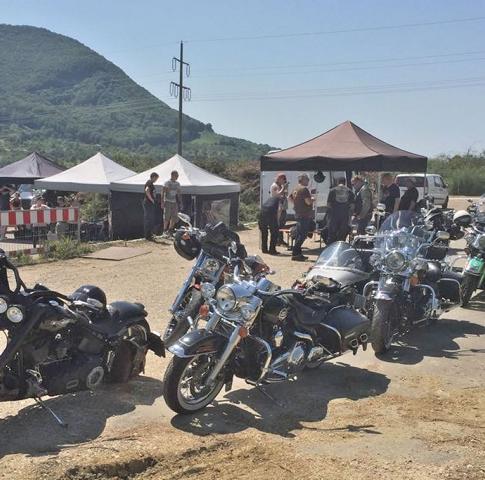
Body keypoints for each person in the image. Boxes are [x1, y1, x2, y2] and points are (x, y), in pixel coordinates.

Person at [289, 173, 314, 261]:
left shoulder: (295, 188)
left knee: (299, 234)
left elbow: (289, 198)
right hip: (304, 214)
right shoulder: (304, 189)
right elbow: (308, 202)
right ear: (303, 179)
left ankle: (298, 253)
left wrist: (297, 204)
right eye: (307, 179)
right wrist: (312, 199)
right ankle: (295, 252)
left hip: (298, 213)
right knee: (303, 234)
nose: (308, 180)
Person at [326, 177, 355, 243]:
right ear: (345, 182)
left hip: (334, 216)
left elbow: (328, 205)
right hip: (345, 216)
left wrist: (330, 214)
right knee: (342, 236)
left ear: (337, 182)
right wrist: (350, 216)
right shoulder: (350, 191)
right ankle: (340, 247)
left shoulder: (332, 191)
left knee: (332, 235)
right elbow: (352, 206)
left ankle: (331, 247)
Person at [270, 173, 289, 245]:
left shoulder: (281, 186)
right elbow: (277, 194)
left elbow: (285, 195)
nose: (284, 181)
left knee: (282, 224)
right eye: (283, 179)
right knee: (277, 224)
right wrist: (283, 188)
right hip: (277, 208)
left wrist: (285, 189)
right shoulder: (274, 186)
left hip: (282, 207)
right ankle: (277, 240)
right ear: (280, 179)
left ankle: (280, 239)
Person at [161, 170, 181, 237]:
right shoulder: (167, 182)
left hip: (174, 202)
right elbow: (163, 192)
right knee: (167, 216)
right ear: (172, 175)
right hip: (167, 201)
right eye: (176, 175)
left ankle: (170, 230)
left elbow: (178, 193)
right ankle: (164, 230)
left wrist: (180, 202)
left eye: (177, 176)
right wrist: (162, 201)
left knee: (174, 217)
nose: (177, 177)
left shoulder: (178, 183)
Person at [143, 172, 159, 241]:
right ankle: (147, 236)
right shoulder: (149, 182)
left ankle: (150, 234)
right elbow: (147, 190)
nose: (156, 180)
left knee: (151, 219)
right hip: (148, 203)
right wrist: (151, 199)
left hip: (150, 203)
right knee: (148, 219)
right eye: (156, 178)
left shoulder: (151, 183)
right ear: (153, 177)